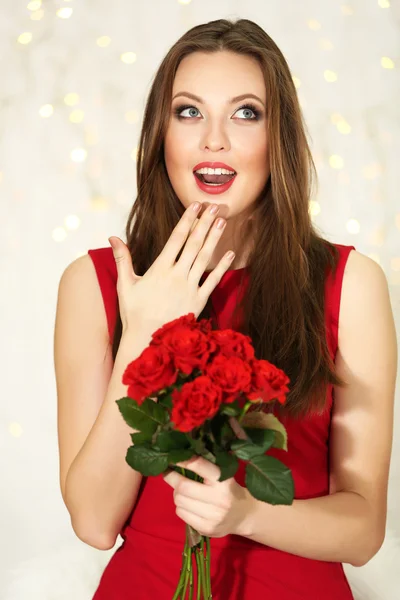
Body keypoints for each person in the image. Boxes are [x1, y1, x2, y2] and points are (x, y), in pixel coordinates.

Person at [54, 18, 397, 600]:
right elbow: (93, 522)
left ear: (278, 137)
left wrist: (245, 513)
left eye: (245, 113)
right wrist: (144, 332)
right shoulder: (94, 284)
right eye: (189, 112)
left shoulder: (351, 284)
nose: (214, 139)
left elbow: (363, 529)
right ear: (161, 135)